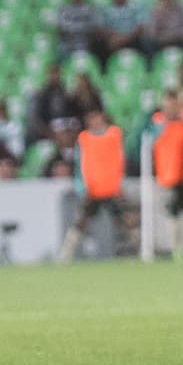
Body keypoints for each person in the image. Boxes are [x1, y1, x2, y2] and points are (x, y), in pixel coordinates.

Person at [59, 109, 128, 261]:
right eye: (92, 120)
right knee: (82, 220)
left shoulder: (114, 135)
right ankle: (67, 252)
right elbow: (80, 165)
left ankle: (133, 249)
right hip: (93, 190)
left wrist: (122, 184)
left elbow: (120, 160)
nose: (96, 123)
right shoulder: (84, 139)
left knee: (124, 219)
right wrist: (82, 187)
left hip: (111, 188)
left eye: (98, 119)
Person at [148, 91, 183, 260]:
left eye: (174, 105)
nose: (171, 109)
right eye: (167, 105)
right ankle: (171, 249)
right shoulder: (157, 122)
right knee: (170, 213)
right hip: (166, 176)